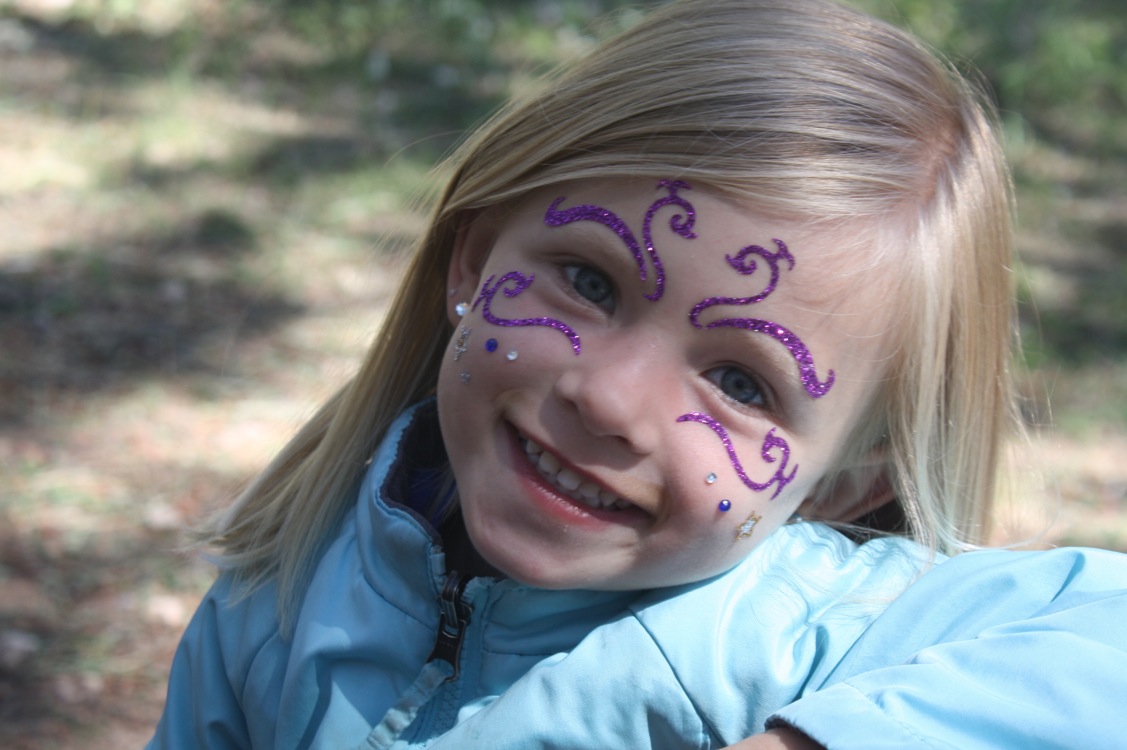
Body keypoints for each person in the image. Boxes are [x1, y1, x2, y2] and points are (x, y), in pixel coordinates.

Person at [146, 0, 1127, 748]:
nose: (609, 400)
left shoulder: (799, 638)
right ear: (473, 262)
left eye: (741, 384)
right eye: (587, 281)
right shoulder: (278, 589)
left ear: (841, 484)